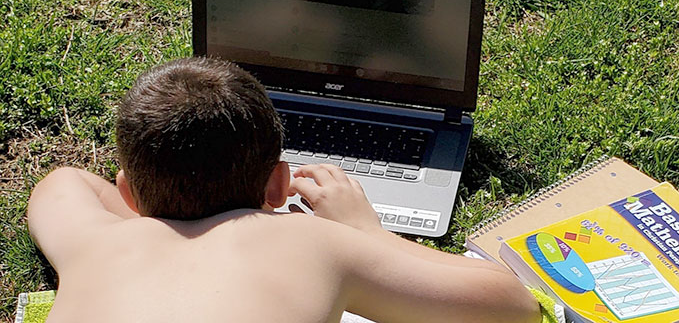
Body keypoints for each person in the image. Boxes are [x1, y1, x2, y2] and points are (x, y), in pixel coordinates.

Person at [28, 57, 541, 323]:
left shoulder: (93, 244)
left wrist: (159, 212)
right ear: (278, 185)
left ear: (130, 196)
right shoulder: (311, 242)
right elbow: (511, 306)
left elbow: (61, 183)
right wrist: (368, 233)